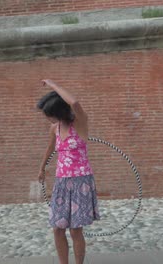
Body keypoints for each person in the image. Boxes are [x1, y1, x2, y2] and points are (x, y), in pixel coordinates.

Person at [37, 79, 100, 264]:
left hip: (81, 182)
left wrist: (52, 85)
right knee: (57, 228)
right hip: (62, 182)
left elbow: (74, 103)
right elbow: (50, 149)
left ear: (58, 112)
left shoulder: (80, 124)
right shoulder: (54, 129)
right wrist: (41, 169)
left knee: (75, 230)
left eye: (49, 114)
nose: (47, 118)